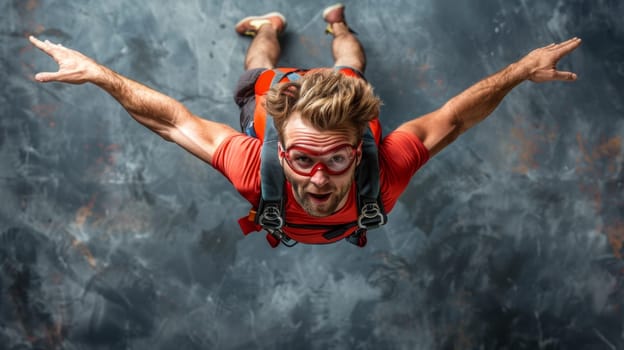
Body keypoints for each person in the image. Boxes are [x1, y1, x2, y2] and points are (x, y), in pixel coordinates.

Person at [28, 4, 581, 247]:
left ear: (360, 152)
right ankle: (270, 25)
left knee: (351, 65)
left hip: (341, 95)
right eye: (305, 160)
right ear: (281, 150)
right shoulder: (254, 166)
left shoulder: (383, 169)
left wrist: (519, 72)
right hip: (280, 96)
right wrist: (98, 74)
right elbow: (168, 120)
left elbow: (457, 118)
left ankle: (338, 22)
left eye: (337, 159)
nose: (319, 179)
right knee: (258, 70)